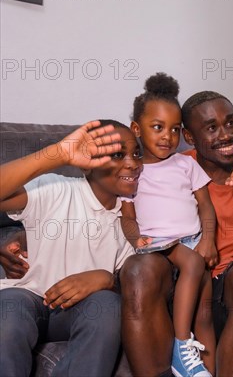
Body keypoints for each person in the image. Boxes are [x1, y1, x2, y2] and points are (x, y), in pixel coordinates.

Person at [118, 90, 233, 376]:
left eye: (231, 123)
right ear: (190, 137)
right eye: (211, 128)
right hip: (175, 281)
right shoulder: (175, 165)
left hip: (232, 289)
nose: (226, 134)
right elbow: (114, 206)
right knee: (138, 268)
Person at [0, 120, 139, 376]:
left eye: (136, 154)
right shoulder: (57, 189)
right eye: (118, 154)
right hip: (28, 296)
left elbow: (140, 286)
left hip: (76, 312)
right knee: (10, 310)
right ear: (88, 166)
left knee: (108, 305)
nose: (133, 163)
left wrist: (108, 280)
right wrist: (57, 155)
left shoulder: (131, 222)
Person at [119, 73, 217, 377]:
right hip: (160, 247)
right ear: (137, 129)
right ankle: (180, 344)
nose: (167, 137)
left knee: (204, 311)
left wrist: (208, 240)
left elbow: (206, 207)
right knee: (191, 265)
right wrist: (137, 240)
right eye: (157, 128)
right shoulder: (132, 170)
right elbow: (127, 217)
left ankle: (207, 371)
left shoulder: (186, 164)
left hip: (192, 241)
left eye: (175, 130)